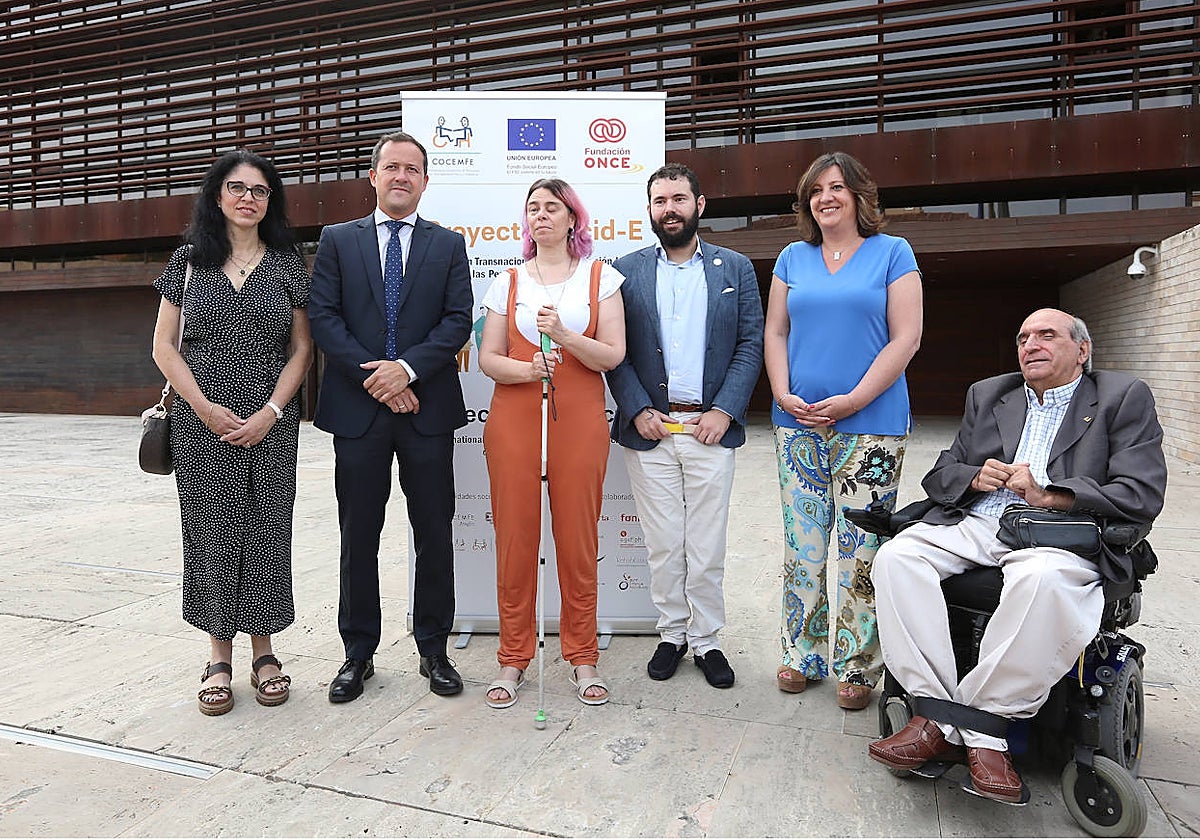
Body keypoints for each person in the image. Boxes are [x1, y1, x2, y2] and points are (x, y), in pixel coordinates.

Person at [868, 308, 1167, 803]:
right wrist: (971, 477)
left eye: (1046, 335)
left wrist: (1053, 495)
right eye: (1023, 337)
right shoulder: (990, 394)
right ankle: (941, 714)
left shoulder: (1121, 397)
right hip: (981, 521)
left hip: (1059, 533)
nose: (1030, 345)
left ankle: (982, 730)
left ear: (1082, 350)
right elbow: (943, 473)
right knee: (897, 557)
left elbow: (1141, 492)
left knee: (1042, 580)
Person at [308, 131, 473, 703]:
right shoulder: (337, 240)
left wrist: (405, 370)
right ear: (373, 176)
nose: (401, 176)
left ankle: (434, 649)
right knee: (359, 537)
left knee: (434, 533)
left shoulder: (448, 245)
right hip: (358, 413)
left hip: (426, 409)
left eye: (413, 169)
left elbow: (457, 322)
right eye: (392, 167)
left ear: (425, 181)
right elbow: (325, 320)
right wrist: (377, 377)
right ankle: (358, 654)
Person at [151, 149, 313, 716]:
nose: (249, 198)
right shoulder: (189, 261)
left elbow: (302, 348)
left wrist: (271, 410)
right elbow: (164, 347)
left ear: (271, 202)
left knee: (267, 533)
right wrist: (202, 408)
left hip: (272, 421)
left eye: (260, 191)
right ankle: (218, 655)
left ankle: (264, 652)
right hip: (203, 423)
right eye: (238, 188)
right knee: (212, 535)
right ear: (218, 195)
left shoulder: (289, 262)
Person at [763, 151, 923, 710]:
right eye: (815, 191)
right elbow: (776, 333)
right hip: (798, 424)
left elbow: (906, 339)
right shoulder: (791, 257)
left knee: (864, 548)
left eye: (836, 188)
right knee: (803, 545)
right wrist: (782, 393)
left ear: (858, 195)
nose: (825, 198)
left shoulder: (892, 253)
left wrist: (853, 399)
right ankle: (800, 653)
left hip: (871, 425)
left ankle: (857, 665)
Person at [606, 163, 763, 688]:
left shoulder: (734, 268)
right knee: (663, 543)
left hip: (708, 429)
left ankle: (708, 641)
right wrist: (636, 409)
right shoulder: (624, 271)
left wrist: (724, 410)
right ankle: (672, 634)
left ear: (700, 205)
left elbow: (749, 344)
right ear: (649, 210)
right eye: (658, 201)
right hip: (650, 430)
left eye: (678, 199)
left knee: (707, 544)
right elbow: (616, 352)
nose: (668, 209)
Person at [478, 178, 626, 709]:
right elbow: (486, 358)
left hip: (579, 420)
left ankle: (582, 655)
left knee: (578, 541)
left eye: (552, 208)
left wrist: (563, 336)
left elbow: (612, 355)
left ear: (572, 218)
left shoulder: (601, 278)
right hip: (515, 420)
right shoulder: (508, 280)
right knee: (516, 541)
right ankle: (512, 657)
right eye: (532, 208)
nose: (541, 216)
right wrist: (526, 368)